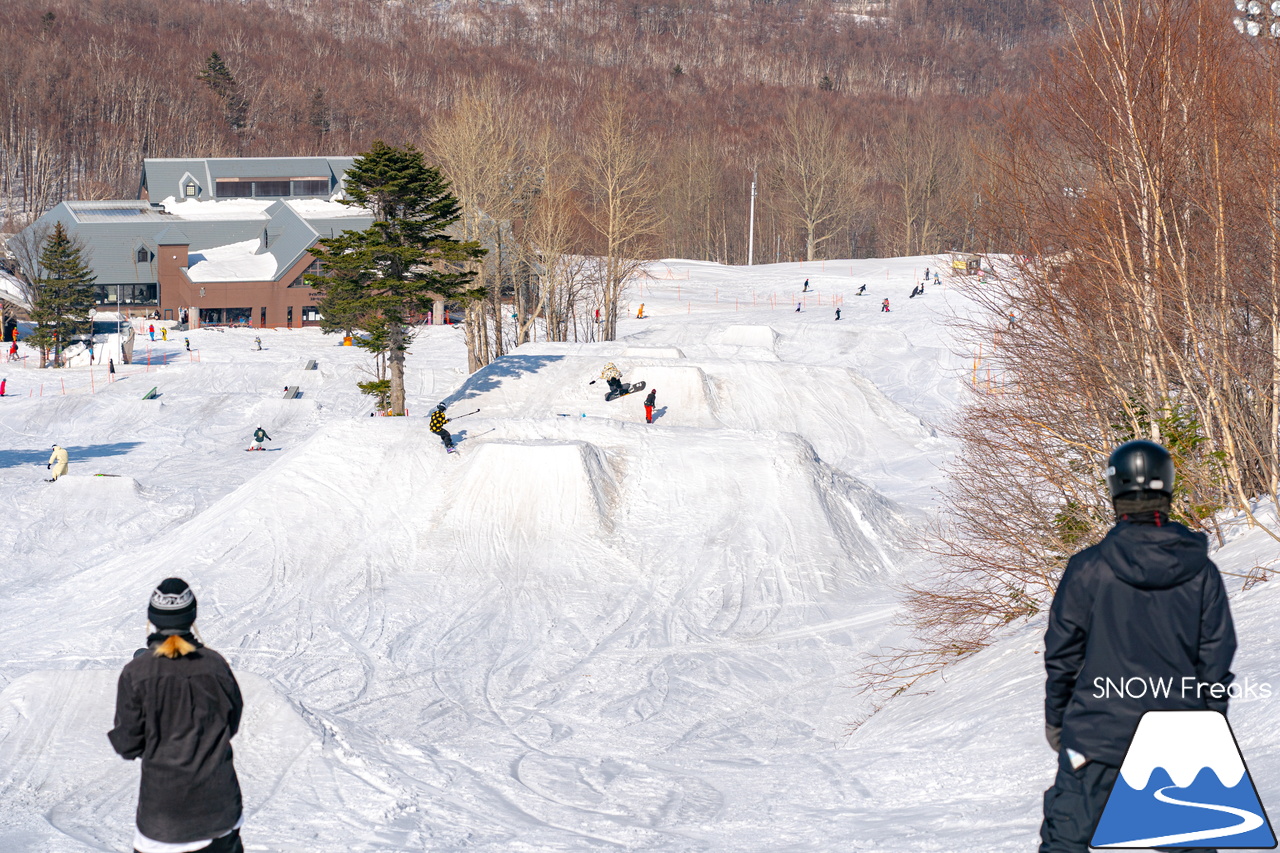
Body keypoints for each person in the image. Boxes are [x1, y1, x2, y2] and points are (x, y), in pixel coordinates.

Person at [1039, 440, 1234, 853]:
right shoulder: (1202, 573)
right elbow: (1215, 662)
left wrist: (1058, 721)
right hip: (1178, 736)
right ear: (1169, 488)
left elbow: (1062, 658)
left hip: (1095, 736)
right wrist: (1207, 727)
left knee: (1065, 843)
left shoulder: (1087, 569)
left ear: (1115, 492)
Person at [109, 578, 245, 853]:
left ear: (152, 620)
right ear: (191, 618)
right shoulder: (216, 665)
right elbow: (230, 724)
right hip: (220, 813)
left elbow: (127, 745)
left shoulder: (137, 673)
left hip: (164, 821)